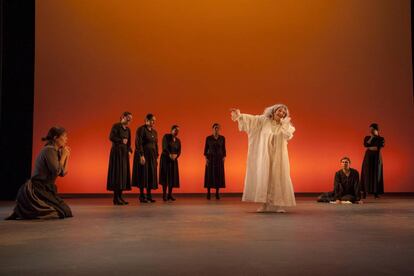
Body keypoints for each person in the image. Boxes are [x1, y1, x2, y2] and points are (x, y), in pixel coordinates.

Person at [231, 104, 296, 213]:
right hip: (265, 155)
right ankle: (264, 204)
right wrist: (240, 115)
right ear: (274, 111)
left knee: (277, 177)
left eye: (284, 112)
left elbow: (288, 135)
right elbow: (252, 119)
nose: (282, 113)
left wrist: (284, 124)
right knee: (265, 177)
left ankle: (278, 205)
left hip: (279, 156)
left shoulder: (286, 125)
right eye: (280, 111)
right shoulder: (264, 120)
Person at [6, 127, 73, 220]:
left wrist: (67, 156)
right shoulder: (49, 150)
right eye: (64, 136)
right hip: (38, 188)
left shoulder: (56, 151)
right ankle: (30, 212)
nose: (66, 139)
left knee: (66, 211)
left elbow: (63, 173)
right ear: (55, 138)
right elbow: (56, 170)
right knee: (62, 212)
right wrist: (64, 156)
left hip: (46, 188)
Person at [107, 112, 133, 205]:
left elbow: (129, 142)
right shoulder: (116, 126)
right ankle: (115, 198)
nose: (130, 120)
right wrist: (121, 140)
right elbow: (111, 137)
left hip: (124, 154)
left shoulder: (128, 130)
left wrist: (130, 151)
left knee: (123, 175)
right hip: (117, 153)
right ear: (123, 117)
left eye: (131, 118)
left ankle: (120, 197)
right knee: (117, 175)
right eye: (128, 118)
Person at [132, 113, 159, 203]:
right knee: (143, 175)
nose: (154, 122)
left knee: (150, 175)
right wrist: (141, 155)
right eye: (152, 120)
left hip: (152, 156)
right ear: (147, 120)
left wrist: (157, 157)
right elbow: (138, 143)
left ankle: (149, 195)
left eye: (154, 121)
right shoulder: (141, 129)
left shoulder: (154, 132)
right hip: (144, 156)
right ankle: (141, 195)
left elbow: (156, 144)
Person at [360, 123, 385, 199]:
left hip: (377, 158)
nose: (371, 131)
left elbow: (377, 148)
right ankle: (364, 193)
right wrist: (371, 138)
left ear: (376, 130)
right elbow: (366, 145)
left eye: (372, 129)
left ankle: (376, 193)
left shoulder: (381, 138)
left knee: (376, 174)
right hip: (368, 157)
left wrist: (369, 147)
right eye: (370, 129)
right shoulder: (367, 137)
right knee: (366, 173)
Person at [204, 123, 226, 200]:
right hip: (210, 158)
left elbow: (224, 148)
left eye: (218, 128)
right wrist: (206, 158)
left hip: (219, 159)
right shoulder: (208, 138)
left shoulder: (222, 138)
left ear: (219, 129)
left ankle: (217, 193)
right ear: (212, 129)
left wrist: (224, 157)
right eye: (215, 128)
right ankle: (208, 193)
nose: (216, 129)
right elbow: (205, 149)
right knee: (209, 175)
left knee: (218, 175)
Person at [159, 125, 181, 201]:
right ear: (171, 130)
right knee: (165, 176)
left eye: (178, 131)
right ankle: (164, 194)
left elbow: (179, 150)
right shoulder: (166, 137)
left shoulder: (178, 140)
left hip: (173, 160)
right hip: (165, 159)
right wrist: (170, 154)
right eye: (175, 130)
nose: (176, 132)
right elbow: (164, 147)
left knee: (172, 177)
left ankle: (170, 194)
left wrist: (176, 155)